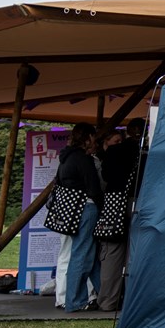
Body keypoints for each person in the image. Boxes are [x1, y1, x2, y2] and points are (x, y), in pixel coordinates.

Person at [95, 118, 145, 312]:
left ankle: (108, 300)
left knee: (112, 252)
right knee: (136, 253)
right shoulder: (149, 153)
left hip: (114, 203)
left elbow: (106, 177)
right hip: (141, 202)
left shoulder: (115, 152)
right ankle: (134, 300)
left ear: (128, 132)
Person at [56, 123, 103, 313]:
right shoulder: (83, 159)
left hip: (72, 209)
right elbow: (94, 188)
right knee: (82, 254)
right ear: (88, 137)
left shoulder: (65, 159)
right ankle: (76, 299)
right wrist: (104, 208)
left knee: (88, 255)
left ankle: (107, 295)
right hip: (87, 207)